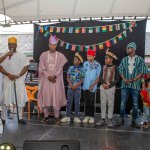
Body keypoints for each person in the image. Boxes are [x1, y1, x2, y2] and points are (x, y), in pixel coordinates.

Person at [38, 35, 68, 124]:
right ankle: (46, 115)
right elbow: (41, 68)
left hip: (56, 80)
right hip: (46, 80)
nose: (53, 46)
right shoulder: (43, 55)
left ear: (56, 46)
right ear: (49, 45)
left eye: (54, 45)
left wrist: (54, 76)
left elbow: (60, 68)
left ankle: (57, 116)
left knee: (56, 97)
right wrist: (48, 76)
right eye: (51, 45)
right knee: (46, 97)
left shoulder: (60, 56)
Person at [117, 42, 147, 128]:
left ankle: (134, 121)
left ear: (133, 49)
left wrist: (133, 79)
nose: (127, 49)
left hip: (135, 86)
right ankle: (121, 119)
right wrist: (124, 79)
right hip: (124, 85)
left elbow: (142, 72)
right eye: (127, 48)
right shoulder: (124, 59)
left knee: (135, 104)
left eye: (129, 48)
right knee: (122, 103)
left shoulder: (140, 59)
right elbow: (120, 71)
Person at [0, 37, 29, 124]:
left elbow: (26, 66)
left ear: (16, 45)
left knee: (20, 97)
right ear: (8, 45)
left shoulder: (22, 55)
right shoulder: (4, 55)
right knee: (6, 98)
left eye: (13, 44)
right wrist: (8, 74)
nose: (11, 46)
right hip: (7, 79)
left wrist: (19, 75)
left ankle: (20, 117)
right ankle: (3, 117)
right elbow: (0, 66)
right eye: (9, 44)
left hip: (18, 79)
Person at [96, 50, 119, 127]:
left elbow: (117, 79)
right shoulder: (103, 67)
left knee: (110, 103)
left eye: (107, 58)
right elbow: (100, 77)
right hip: (103, 87)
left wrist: (109, 85)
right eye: (105, 58)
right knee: (103, 103)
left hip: (111, 87)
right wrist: (103, 83)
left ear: (112, 59)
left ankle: (109, 118)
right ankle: (103, 118)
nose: (105, 60)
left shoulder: (115, 68)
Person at [61, 52, 84, 123]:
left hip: (78, 88)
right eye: (74, 59)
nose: (74, 61)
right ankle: (67, 116)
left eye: (76, 60)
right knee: (69, 102)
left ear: (79, 61)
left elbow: (82, 79)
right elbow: (67, 77)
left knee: (77, 102)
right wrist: (71, 85)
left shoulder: (82, 69)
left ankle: (76, 117)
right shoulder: (70, 68)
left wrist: (75, 86)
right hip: (70, 87)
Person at [82, 49, 101, 124]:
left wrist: (93, 85)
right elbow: (83, 74)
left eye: (89, 56)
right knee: (86, 102)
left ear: (94, 56)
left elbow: (99, 77)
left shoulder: (97, 65)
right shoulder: (85, 63)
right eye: (87, 56)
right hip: (85, 86)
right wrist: (83, 83)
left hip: (92, 87)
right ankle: (86, 116)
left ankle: (92, 116)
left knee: (92, 102)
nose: (88, 57)